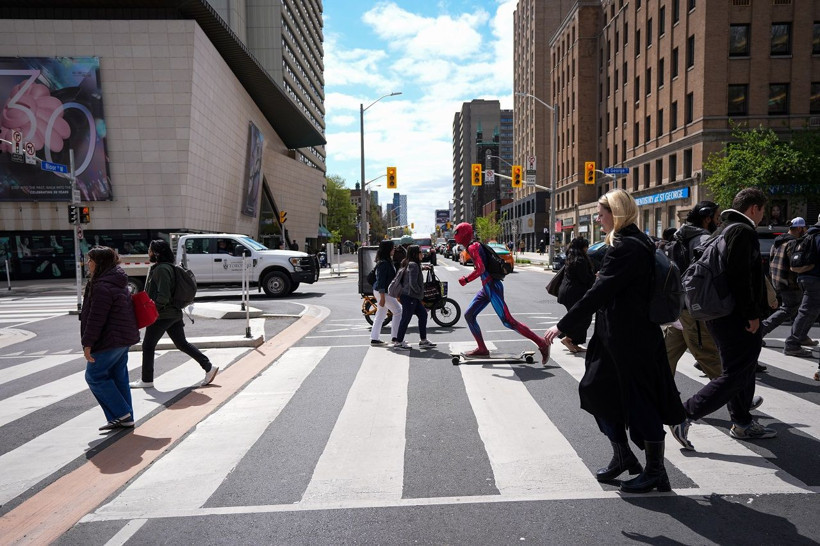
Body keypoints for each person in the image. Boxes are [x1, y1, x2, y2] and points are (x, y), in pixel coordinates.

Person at [544, 189, 686, 494]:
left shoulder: (628, 248)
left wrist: (563, 324)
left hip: (631, 339)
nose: (598, 218)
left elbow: (600, 292)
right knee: (596, 391)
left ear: (616, 213)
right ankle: (623, 456)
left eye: (601, 213)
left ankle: (655, 471)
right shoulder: (632, 243)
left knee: (640, 402)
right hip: (616, 337)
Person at [670, 188, 776, 449]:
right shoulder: (742, 231)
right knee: (735, 374)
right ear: (754, 208)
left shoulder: (722, 230)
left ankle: (742, 422)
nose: (762, 216)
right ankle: (684, 414)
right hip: (735, 316)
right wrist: (751, 315)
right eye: (762, 210)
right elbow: (740, 277)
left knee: (743, 370)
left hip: (718, 313)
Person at [454, 222, 550, 365]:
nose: (455, 236)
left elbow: (480, 269)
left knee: (508, 321)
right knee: (469, 315)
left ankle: (541, 343)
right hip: (487, 288)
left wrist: (466, 279)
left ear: (464, 233)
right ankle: (482, 348)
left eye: (457, 232)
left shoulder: (473, 247)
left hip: (492, 287)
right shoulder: (472, 246)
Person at [130, 240, 219, 389]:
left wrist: (152, 310)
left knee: (148, 345)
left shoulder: (162, 269)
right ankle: (209, 367)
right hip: (174, 313)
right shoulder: (168, 267)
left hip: (163, 315)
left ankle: (146, 380)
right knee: (181, 343)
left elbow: (163, 296)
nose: (148, 253)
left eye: (150, 250)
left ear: (156, 253)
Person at [80, 246, 140, 431]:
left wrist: (88, 343)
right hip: (123, 337)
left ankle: (121, 413)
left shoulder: (101, 286)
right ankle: (125, 417)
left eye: (91, 260)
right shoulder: (117, 280)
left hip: (109, 339)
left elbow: (96, 318)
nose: (87, 263)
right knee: (118, 376)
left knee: (94, 376)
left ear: (100, 263)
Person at [663, 201, 724, 380]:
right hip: (694, 308)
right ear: (707, 218)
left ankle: (659, 397)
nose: (719, 222)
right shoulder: (703, 240)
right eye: (717, 217)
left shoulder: (679, 237)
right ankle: (738, 397)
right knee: (708, 355)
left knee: (666, 354)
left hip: (679, 306)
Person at [761, 217, 808, 344]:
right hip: (789, 283)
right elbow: (795, 265)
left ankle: (801, 335)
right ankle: (761, 331)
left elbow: (771, 262)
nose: (805, 231)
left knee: (798, 310)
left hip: (778, 281)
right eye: (804, 228)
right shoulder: (793, 243)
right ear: (799, 228)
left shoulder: (777, 242)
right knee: (789, 309)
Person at [782, 215, 820, 357]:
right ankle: (792, 344)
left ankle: (801, 337)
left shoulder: (809, 235)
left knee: (811, 311)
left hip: (804, 277)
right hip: (815, 279)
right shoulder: (817, 236)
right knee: (806, 311)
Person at [392, 245, 436, 350]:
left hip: (410, 297)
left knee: (423, 314)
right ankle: (398, 342)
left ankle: (423, 340)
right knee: (406, 318)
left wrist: (423, 267)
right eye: (420, 252)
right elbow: (413, 283)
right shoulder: (413, 265)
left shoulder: (409, 263)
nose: (422, 254)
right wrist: (420, 293)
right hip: (410, 296)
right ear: (415, 254)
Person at [557, 237, 595, 353]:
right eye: (586, 246)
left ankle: (573, 341)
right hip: (574, 293)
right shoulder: (579, 260)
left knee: (578, 317)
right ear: (582, 247)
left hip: (569, 293)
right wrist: (595, 277)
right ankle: (568, 339)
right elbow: (584, 278)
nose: (587, 248)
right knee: (583, 318)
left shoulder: (572, 257)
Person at [371, 240, 402, 346]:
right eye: (393, 248)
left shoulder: (387, 260)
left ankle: (374, 338)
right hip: (382, 292)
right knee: (398, 311)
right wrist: (383, 297)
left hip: (381, 291)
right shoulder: (383, 263)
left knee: (381, 314)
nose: (394, 250)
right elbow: (381, 281)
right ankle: (395, 337)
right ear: (388, 249)